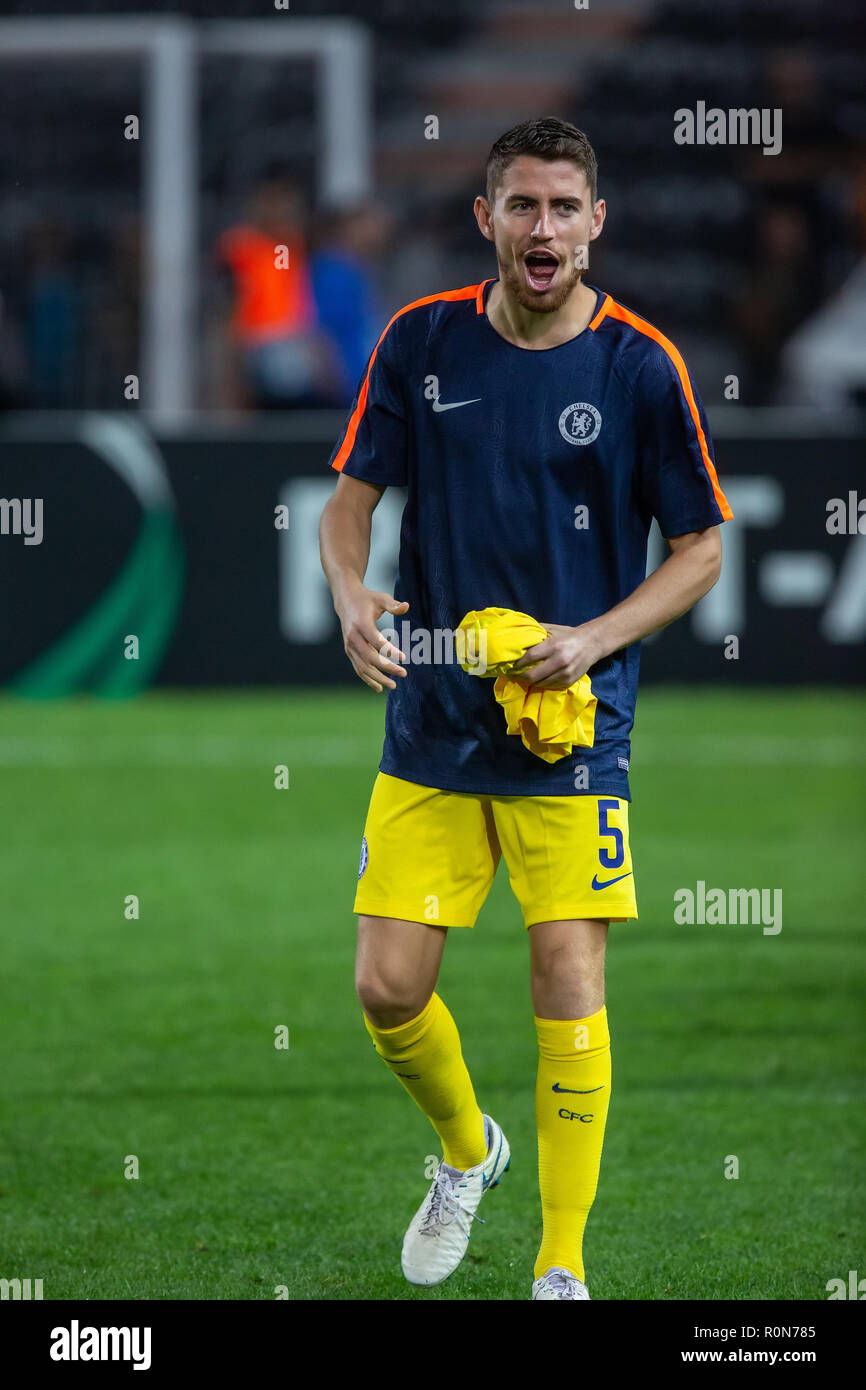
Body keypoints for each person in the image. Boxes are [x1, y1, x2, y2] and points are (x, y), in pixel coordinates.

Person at [319, 117, 733, 1301]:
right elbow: (349, 504)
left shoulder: (639, 365)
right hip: (435, 717)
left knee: (566, 973)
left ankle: (560, 1263)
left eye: (562, 207)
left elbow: (699, 547)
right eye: (521, 206)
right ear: (485, 220)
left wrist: (594, 642)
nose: (541, 228)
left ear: (596, 222)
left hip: (570, 729)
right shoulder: (420, 340)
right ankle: (466, 1152)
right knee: (386, 988)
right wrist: (351, 593)